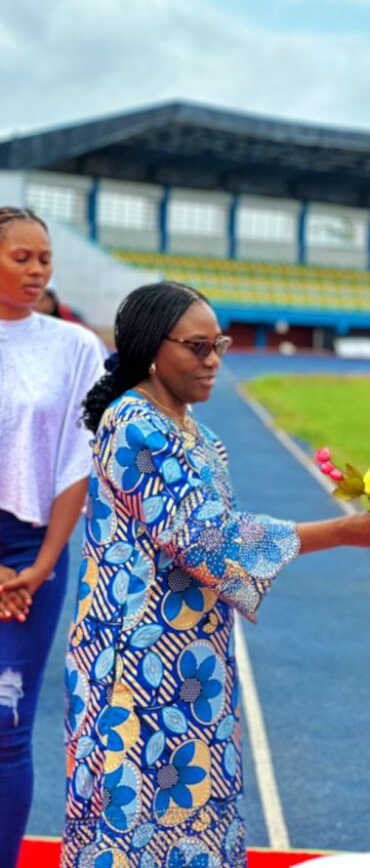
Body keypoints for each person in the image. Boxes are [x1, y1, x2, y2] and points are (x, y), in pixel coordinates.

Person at [61, 281, 370, 868]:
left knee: (193, 804)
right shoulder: (134, 423)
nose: (214, 360)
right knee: (136, 814)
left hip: (188, 653)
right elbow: (204, 539)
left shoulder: (194, 430)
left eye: (218, 344)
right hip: (136, 657)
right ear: (152, 348)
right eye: (197, 347)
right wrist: (343, 532)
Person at [0, 207, 104, 867]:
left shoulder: (76, 347)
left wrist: (39, 564)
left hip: (32, 550)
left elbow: (78, 456)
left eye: (45, 258)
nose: (38, 269)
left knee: (6, 729)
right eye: (22, 257)